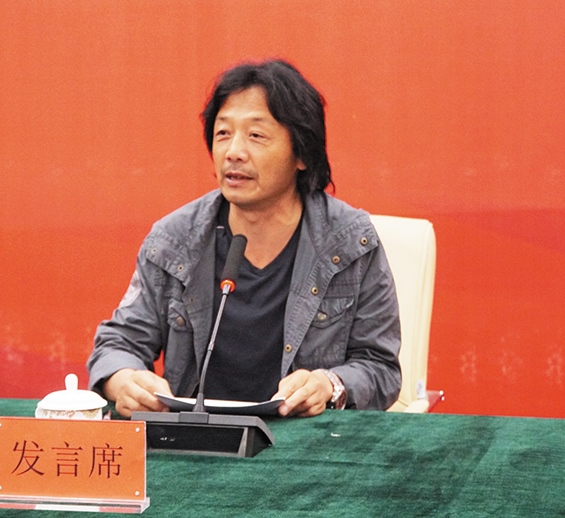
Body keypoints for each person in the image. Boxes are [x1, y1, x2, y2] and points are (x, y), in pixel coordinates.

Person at [87, 59, 401, 418]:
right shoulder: (175, 239)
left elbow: (381, 368)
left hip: (305, 440)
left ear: (301, 153)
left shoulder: (349, 241)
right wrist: (123, 379)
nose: (233, 152)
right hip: (196, 437)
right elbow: (118, 343)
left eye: (256, 136)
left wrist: (330, 384)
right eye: (223, 133)